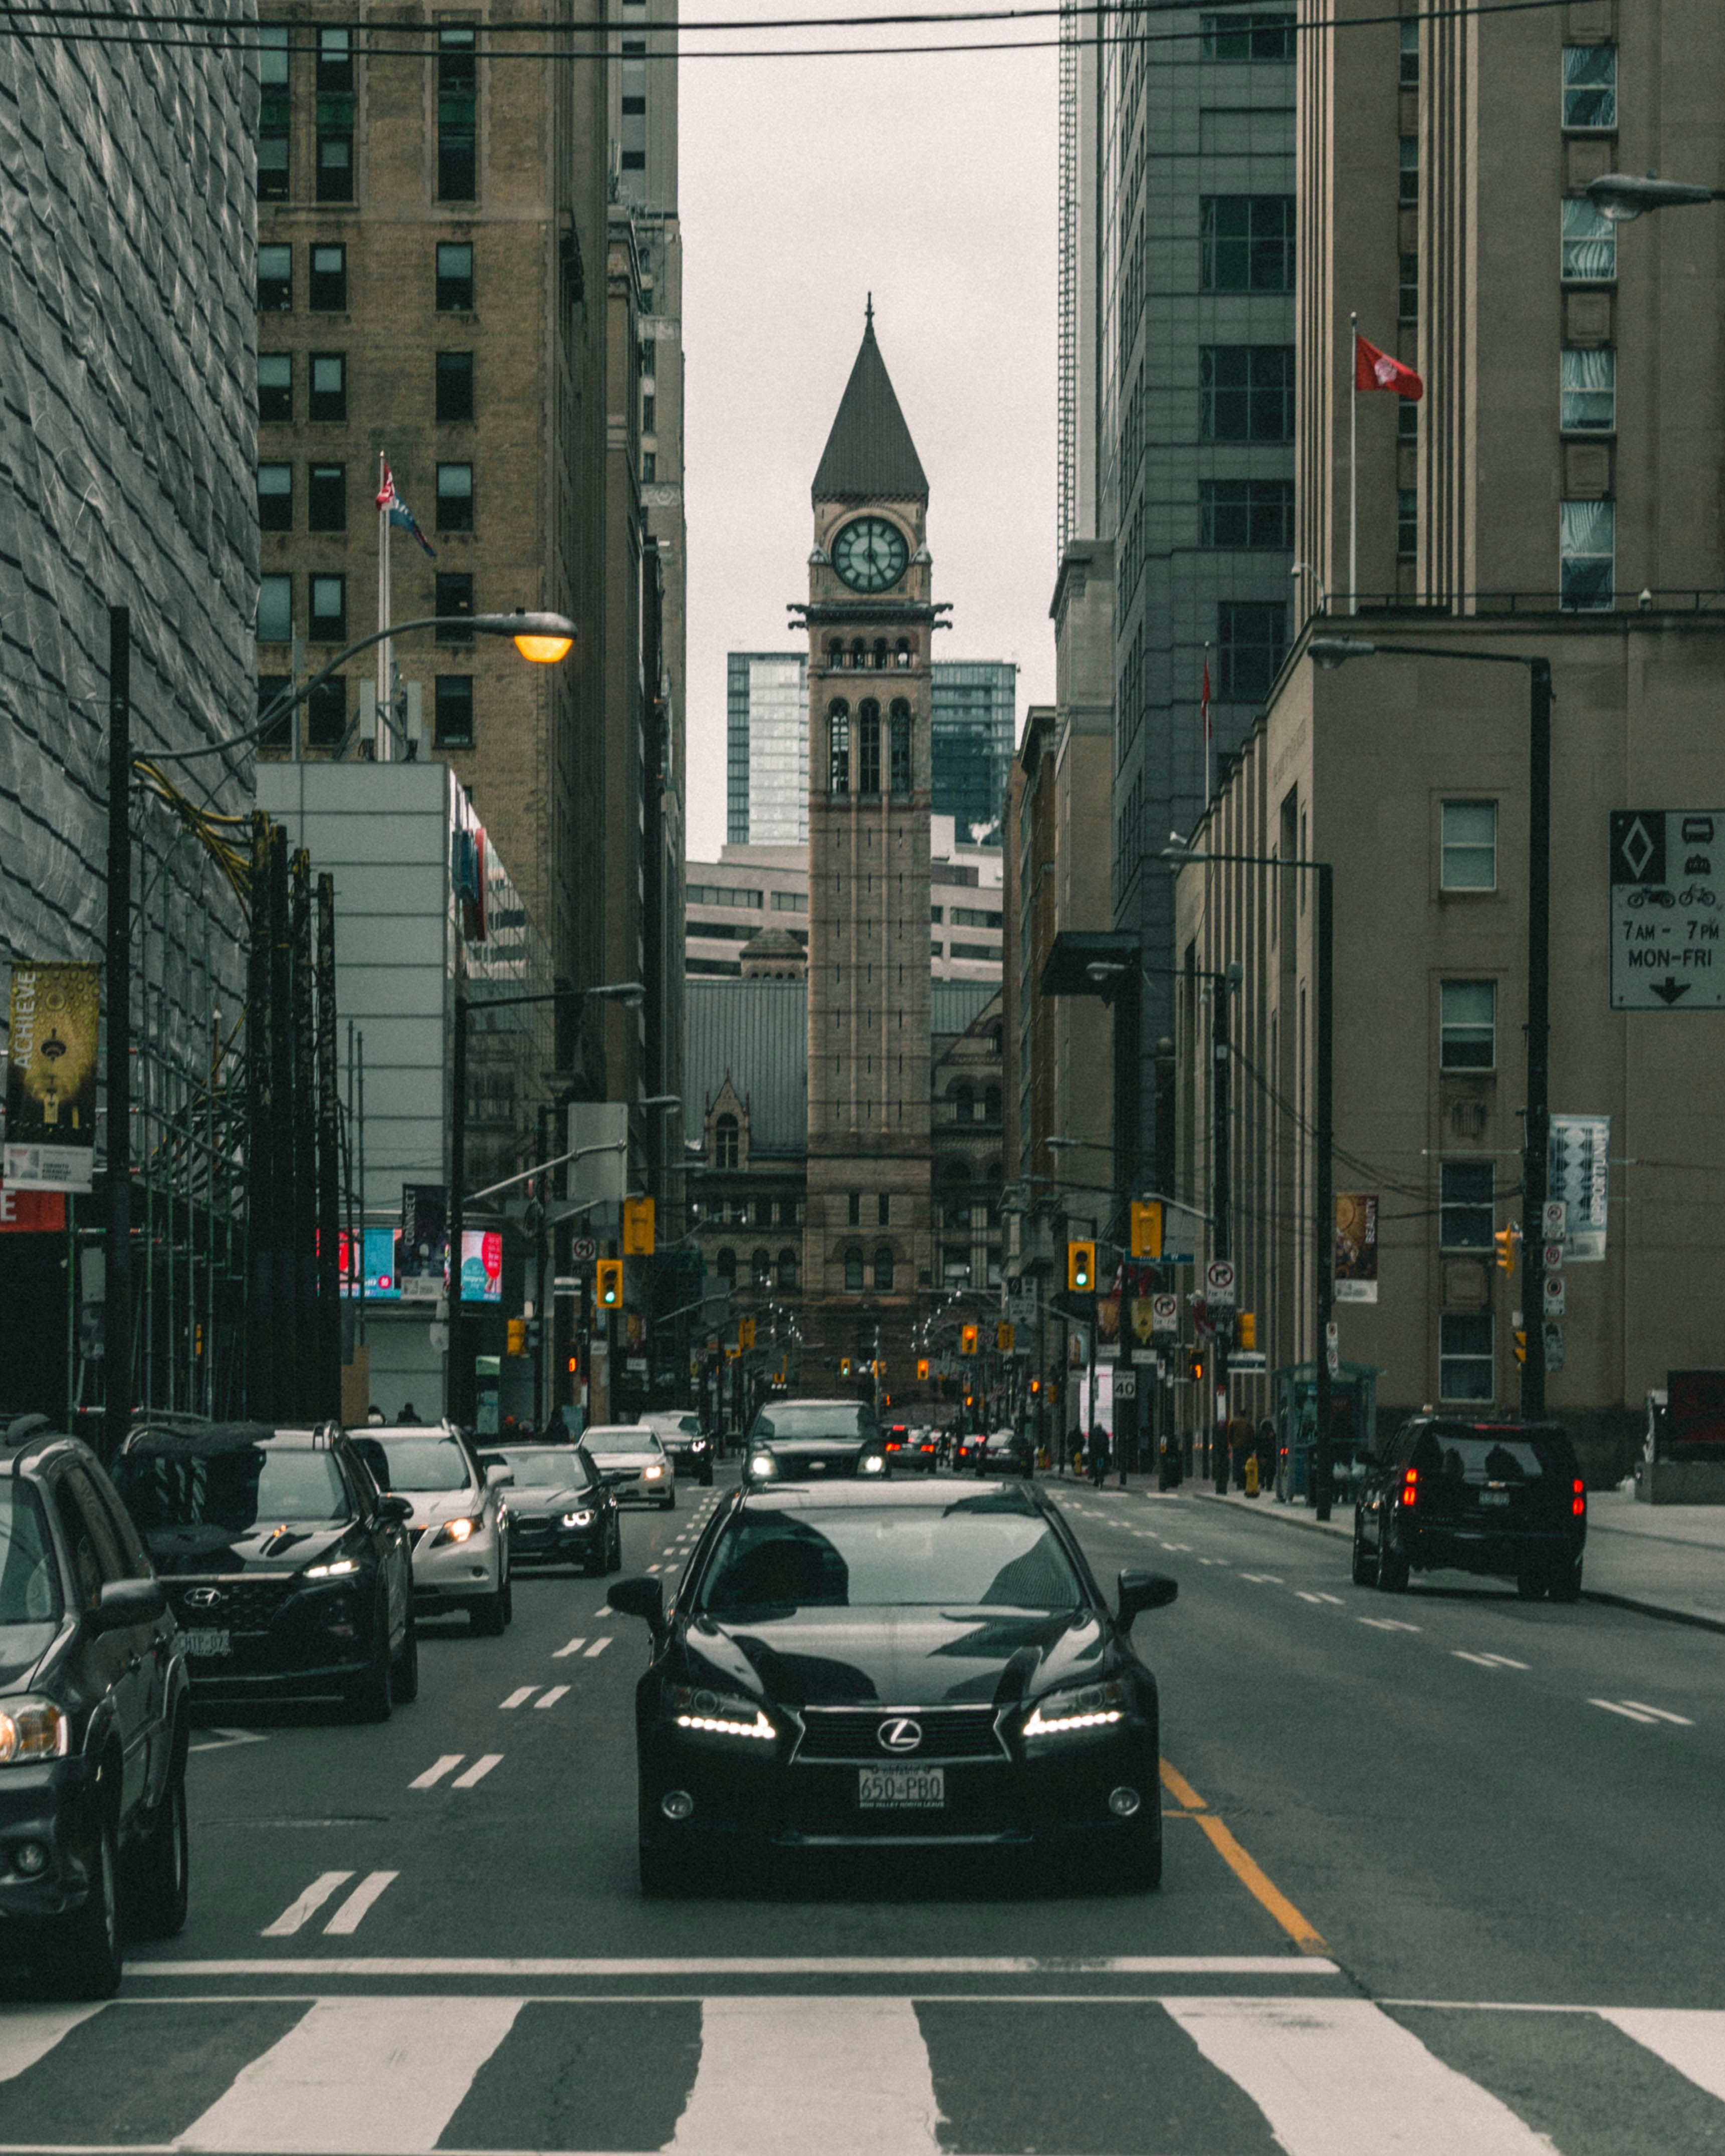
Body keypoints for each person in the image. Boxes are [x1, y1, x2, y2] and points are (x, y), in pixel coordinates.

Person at [1089, 1422, 1109, 1488]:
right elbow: (1107, 1443)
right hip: (1103, 1453)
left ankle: (1096, 1479)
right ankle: (1102, 1475)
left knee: (1094, 1465)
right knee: (1103, 1465)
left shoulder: (1093, 1433)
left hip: (1095, 1453)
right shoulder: (1104, 1433)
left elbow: (1090, 1443)